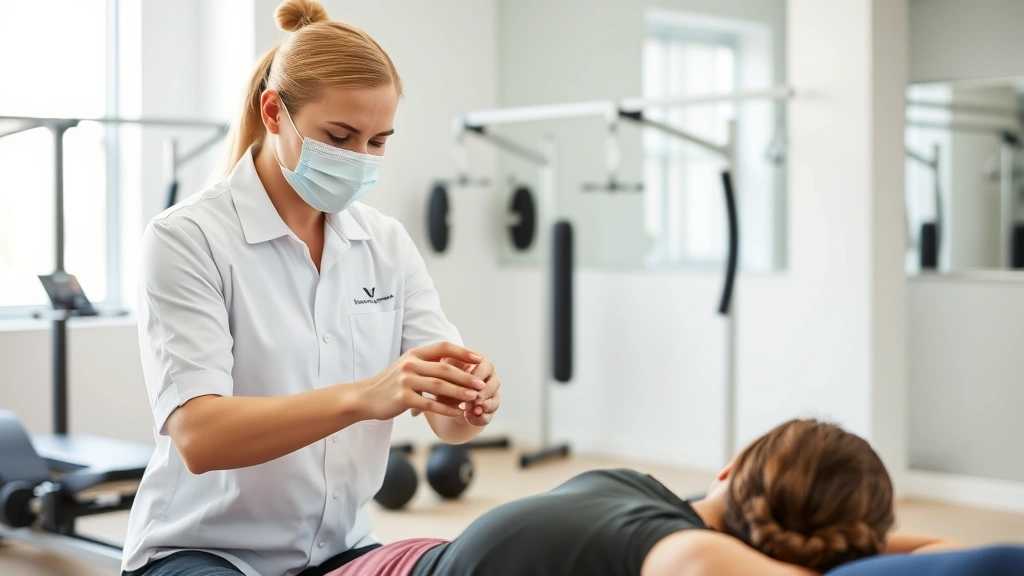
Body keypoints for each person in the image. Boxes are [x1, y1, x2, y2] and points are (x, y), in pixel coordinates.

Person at [121, 2, 501, 575]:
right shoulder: (187, 238)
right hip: (202, 551)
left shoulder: (386, 244)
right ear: (274, 112)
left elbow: (448, 421)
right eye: (339, 136)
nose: (359, 159)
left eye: (377, 141)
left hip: (341, 547)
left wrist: (471, 400)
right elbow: (199, 437)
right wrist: (365, 396)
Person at [325, 419, 961, 576]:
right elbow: (952, 557)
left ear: (729, 471)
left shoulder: (640, 491)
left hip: (412, 556)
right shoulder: (688, 553)